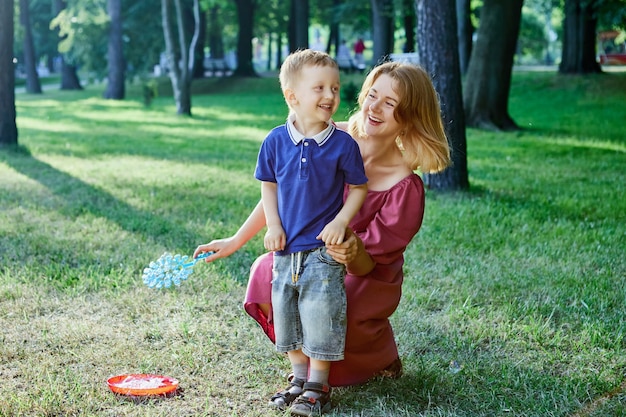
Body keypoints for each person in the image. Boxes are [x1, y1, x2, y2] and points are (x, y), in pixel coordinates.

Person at [194, 61, 451, 405]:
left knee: (333, 300)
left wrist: (351, 249)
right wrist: (235, 240)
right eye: (372, 95)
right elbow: (285, 193)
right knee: (267, 272)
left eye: (390, 104)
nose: (374, 108)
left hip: (366, 272)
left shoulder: (405, 187)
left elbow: (366, 265)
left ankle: (376, 354)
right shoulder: (330, 136)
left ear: (410, 116)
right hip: (310, 253)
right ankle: (304, 373)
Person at [256, 49, 370, 416]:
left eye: (335, 88)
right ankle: (297, 379)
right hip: (285, 250)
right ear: (293, 97)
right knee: (287, 315)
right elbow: (268, 186)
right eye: (319, 87)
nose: (330, 96)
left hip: (322, 251)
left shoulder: (342, 144)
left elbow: (358, 188)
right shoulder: (275, 141)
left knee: (321, 315)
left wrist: (341, 221)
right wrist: (273, 225)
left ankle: (318, 387)